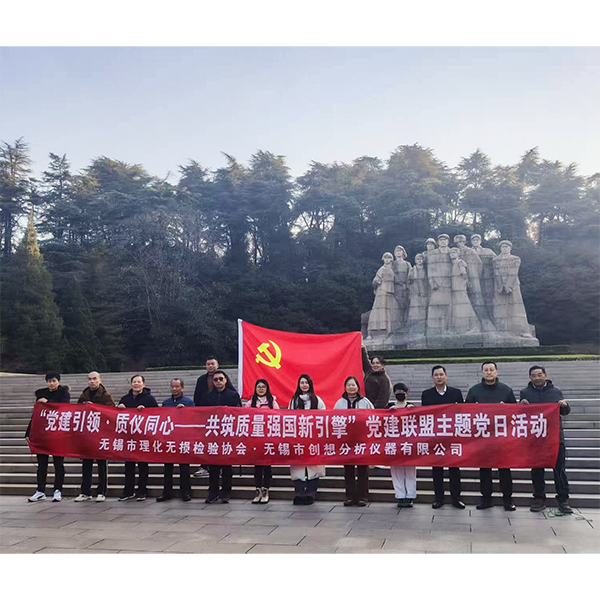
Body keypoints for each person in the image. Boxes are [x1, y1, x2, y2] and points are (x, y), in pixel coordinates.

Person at [519, 366, 573, 514]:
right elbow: (521, 414)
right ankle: (539, 499)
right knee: (537, 470)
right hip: (535, 438)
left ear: (545, 375)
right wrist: (521, 406)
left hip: (555, 437)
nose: (537, 378)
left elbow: (565, 412)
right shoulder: (525, 392)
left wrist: (564, 405)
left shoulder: (556, 391)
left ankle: (563, 500)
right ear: (530, 378)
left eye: (539, 375)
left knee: (559, 470)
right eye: (533, 376)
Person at [466, 361, 517, 511]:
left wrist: (505, 409)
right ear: (482, 372)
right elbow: (466, 411)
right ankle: (486, 499)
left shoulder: (506, 390)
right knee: (484, 470)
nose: (489, 372)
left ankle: (508, 500)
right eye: (486, 370)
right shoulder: (474, 391)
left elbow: (516, 412)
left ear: (496, 372)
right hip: (482, 438)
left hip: (502, 438)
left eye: (491, 370)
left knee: (504, 470)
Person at [421, 365, 465, 509]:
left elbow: (463, 413)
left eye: (441, 374)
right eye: (436, 375)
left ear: (446, 376)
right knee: (437, 469)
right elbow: (424, 414)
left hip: (452, 437)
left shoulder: (456, 393)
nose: (439, 377)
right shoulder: (427, 394)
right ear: (432, 378)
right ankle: (439, 498)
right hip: (435, 437)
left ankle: (456, 498)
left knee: (454, 469)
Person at [27, 372, 71, 503]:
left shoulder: (63, 394)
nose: (51, 383)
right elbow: (36, 415)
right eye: (49, 381)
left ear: (58, 381)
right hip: (43, 434)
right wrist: (28, 432)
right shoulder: (41, 394)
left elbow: (64, 408)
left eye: (54, 381)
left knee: (58, 464)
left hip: (58, 433)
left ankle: (58, 490)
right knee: (41, 464)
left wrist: (48, 402)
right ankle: (40, 490)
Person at [74, 372, 115, 502]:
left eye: (94, 379)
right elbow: (77, 411)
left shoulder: (106, 396)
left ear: (99, 380)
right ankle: (85, 491)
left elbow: (111, 413)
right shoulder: (83, 395)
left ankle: (101, 491)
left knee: (102, 464)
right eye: (90, 379)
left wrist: (95, 408)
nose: (92, 381)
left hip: (101, 434)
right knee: (86, 464)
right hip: (87, 434)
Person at [333, 376, 374, 507]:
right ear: (345, 387)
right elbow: (333, 419)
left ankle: (363, 496)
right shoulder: (339, 403)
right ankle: (350, 497)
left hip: (362, 440)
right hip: (346, 441)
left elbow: (373, 418)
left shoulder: (365, 402)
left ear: (358, 387)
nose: (351, 387)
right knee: (348, 470)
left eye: (353, 385)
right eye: (349, 385)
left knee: (363, 470)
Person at [202, 370, 242, 504]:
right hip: (212, 435)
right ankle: (213, 492)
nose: (218, 381)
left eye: (220, 379)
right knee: (213, 467)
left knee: (227, 466)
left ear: (225, 380)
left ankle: (226, 492)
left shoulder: (233, 395)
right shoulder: (207, 396)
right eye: (215, 380)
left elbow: (239, 413)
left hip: (227, 434)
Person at [117, 375, 159, 501]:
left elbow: (157, 415)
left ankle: (142, 491)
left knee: (143, 465)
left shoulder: (150, 399)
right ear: (131, 384)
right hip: (128, 437)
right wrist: (119, 409)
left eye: (139, 382)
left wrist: (145, 411)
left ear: (143, 384)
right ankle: (128, 491)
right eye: (134, 382)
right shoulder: (125, 399)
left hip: (143, 437)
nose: (136, 384)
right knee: (128, 466)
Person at [288, 374, 326, 505]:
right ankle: (299, 493)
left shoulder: (317, 400)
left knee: (313, 466)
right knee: (297, 466)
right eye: (302, 382)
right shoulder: (294, 401)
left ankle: (311, 493)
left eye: (306, 382)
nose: (304, 385)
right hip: (297, 438)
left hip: (313, 438)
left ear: (310, 385)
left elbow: (323, 417)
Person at [157, 378, 194, 503]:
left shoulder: (189, 402)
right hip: (169, 439)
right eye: (172, 386)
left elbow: (194, 418)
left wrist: (185, 411)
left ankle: (186, 492)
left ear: (182, 388)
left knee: (184, 468)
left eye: (177, 386)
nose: (174, 389)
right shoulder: (166, 403)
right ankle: (167, 492)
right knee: (168, 468)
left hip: (183, 439)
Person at [245, 379, 279, 504]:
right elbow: (245, 418)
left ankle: (266, 490)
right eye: (258, 387)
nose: (261, 389)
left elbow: (278, 417)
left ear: (267, 388)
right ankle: (258, 490)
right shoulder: (250, 403)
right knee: (257, 466)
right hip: (255, 438)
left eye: (263, 387)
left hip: (268, 438)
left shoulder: (272, 402)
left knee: (267, 466)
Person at [388, 383, 417, 508]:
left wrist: (414, 411)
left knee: (410, 470)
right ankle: (400, 496)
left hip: (409, 443)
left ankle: (410, 496)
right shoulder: (389, 407)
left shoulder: (412, 407)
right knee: (396, 470)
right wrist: (388, 412)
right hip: (394, 444)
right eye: (397, 392)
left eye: (402, 392)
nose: (400, 394)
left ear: (407, 393)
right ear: (394, 394)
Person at [192, 356, 221, 478]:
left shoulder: (222, 377)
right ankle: (204, 466)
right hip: (204, 415)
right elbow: (197, 396)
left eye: (212, 364)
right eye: (208, 364)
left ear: (217, 365)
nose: (210, 366)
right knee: (204, 441)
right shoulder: (201, 380)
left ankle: (219, 466)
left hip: (219, 416)